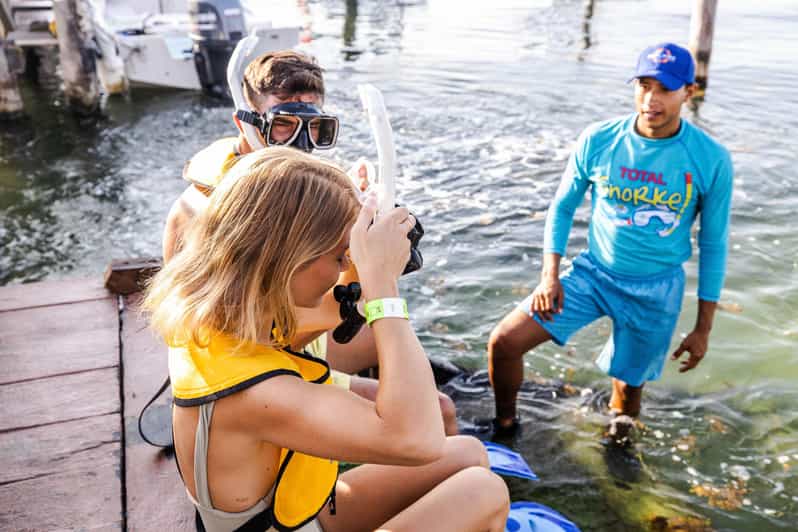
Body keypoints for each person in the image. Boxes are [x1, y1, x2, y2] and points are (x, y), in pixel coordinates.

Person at [144, 148, 510, 532]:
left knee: (468, 453)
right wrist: (382, 284)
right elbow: (419, 440)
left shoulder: (218, 314)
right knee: (483, 493)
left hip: (287, 517)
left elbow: (319, 312)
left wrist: (362, 225)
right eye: (340, 258)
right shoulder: (257, 397)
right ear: (289, 258)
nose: (343, 269)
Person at [162, 49, 458, 434]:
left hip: (276, 345)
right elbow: (276, 328)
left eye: (315, 129)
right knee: (438, 409)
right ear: (246, 123)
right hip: (253, 363)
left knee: (407, 354)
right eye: (285, 124)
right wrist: (372, 273)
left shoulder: (271, 187)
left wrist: (352, 201)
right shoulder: (227, 210)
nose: (301, 143)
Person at [487, 43, 733, 440]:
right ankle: (504, 426)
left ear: (689, 91)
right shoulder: (600, 140)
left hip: (656, 290)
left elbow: (715, 244)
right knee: (505, 342)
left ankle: (616, 454)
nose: (651, 100)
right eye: (643, 85)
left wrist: (703, 327)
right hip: (594, 274)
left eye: (665, 89)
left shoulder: (710, 158)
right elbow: (562, 207)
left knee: (627, 388)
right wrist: (549, 277)